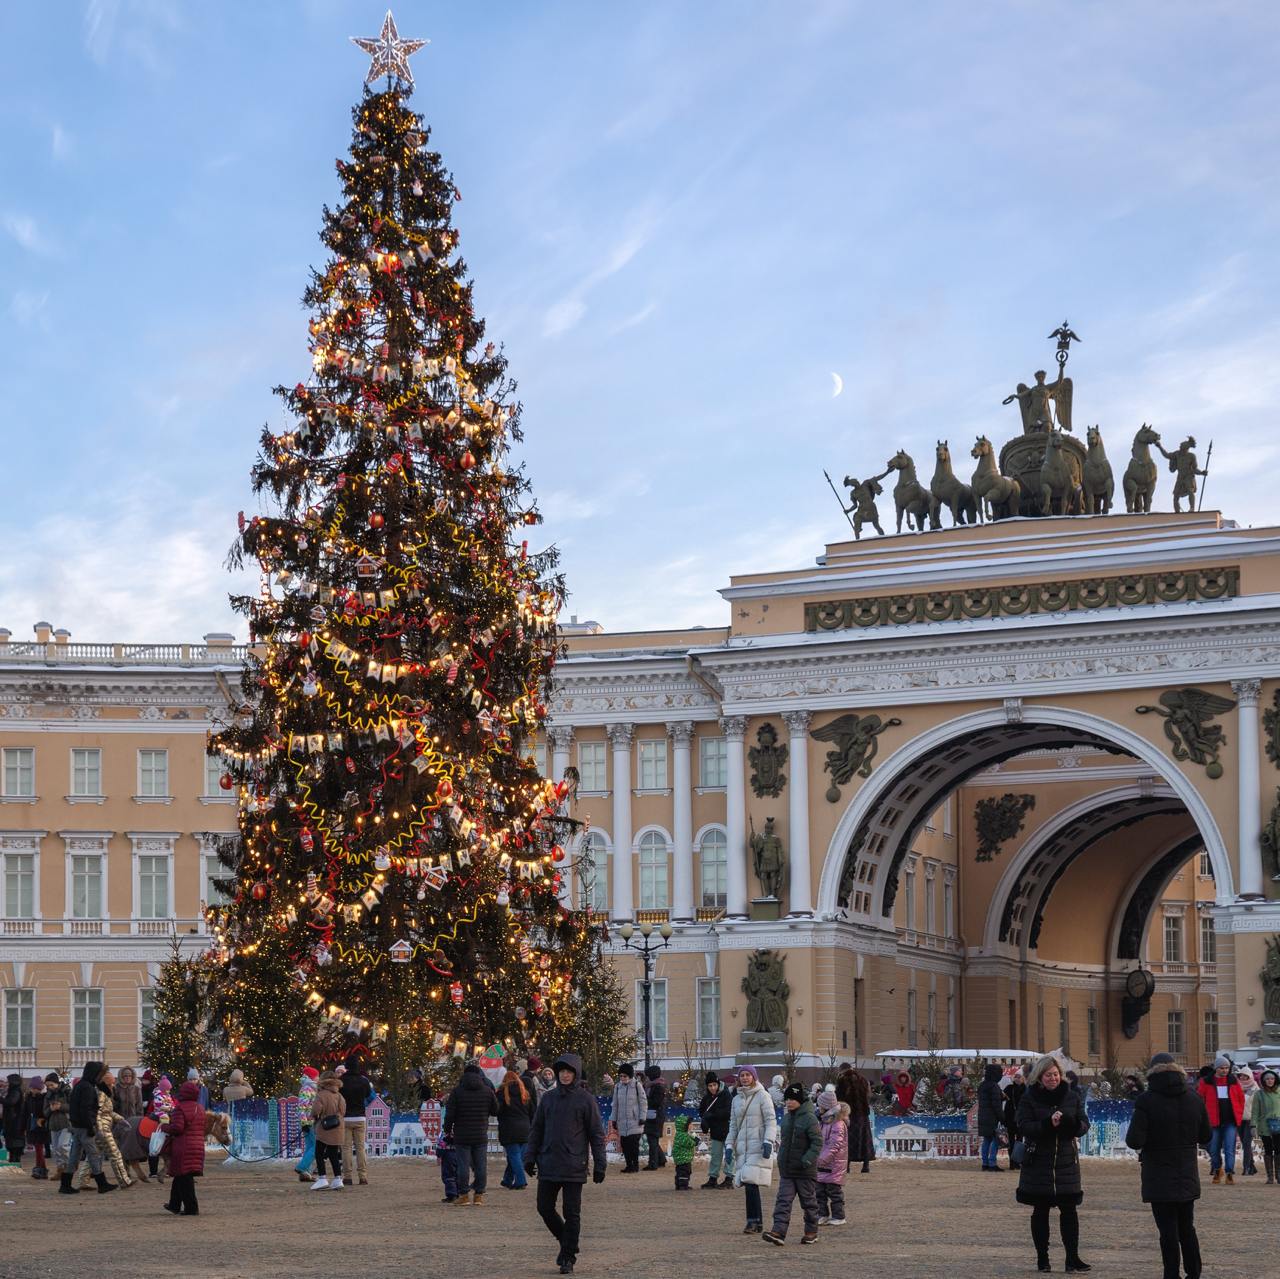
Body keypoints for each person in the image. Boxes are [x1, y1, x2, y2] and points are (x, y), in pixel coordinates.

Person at [1125, 1051, 1211, 1279]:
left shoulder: (1146, 1100)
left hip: (1158, 1173)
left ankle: (1171, 1274)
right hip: (1187, 1172)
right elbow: (1206, 1136)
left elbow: (1134, 1140)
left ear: (1152, 1073)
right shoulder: (1194, 1098)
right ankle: (1194, 1273)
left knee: (1167, 1231)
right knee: (1187, 1228)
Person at [524, 1052, 606, 1277]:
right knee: (544, 1207)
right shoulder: (548, 1099)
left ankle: (568, 1257)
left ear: (576, 1073)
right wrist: (529, 1157)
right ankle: (567, 1240)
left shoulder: (585, 1099)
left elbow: (596, 1134)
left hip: (573, 1164)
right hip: (549, 1162)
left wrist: (600, 1163)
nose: (565, 1075)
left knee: (572, 1213)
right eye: (562, 1071)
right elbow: (537, 1129)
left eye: (569, 1071)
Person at [1015, 1055, 1091, 1274]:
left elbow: (1084, 1124)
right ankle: (1043, 1259)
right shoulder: (1029, 1098)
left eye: (1056, 1074)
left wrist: (1070, 1123)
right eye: (1048, 1075)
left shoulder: (1072, 1096)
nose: (1053, 1078)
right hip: (1039, 1162)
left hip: (1066, 1162)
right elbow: (1024, 1126)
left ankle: (1072, 1258)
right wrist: (1047, 1124)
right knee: (1040, 1211)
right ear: (1040, 1077)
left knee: (1070, 1211)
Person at [762, 1083, 821, 1246]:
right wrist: (781, 1159)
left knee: (808, 1203)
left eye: (792, 1099)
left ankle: (811, 1231)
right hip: (788, 1170)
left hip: (804, 1171)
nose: (788, 1102)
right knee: (783, 1201)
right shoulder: (787, 1118)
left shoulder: (810, 1118)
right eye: (787, 1099)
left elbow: (817, 1143)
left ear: (800, 1100)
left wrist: (807, 1160)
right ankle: (778, 1232)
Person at [727, 1065, 777, 1235]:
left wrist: (768, 1141)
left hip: (757, 1145)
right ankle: (757, 1222)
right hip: (743, 1147)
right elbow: (733, 1125)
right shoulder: (736, 1100)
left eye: (748, 1075)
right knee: (750, 1183)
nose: (745, 1078)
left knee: (750, 1182)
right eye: (742, 1075)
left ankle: (752, 1221)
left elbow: (771, 1120)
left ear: (754, 1077)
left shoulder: (763, 1096)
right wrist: (729, 1145)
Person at [444, 1060, 498, 1204]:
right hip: (480, 1134)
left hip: (462, 1135)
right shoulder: (487, 1091)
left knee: (463, 1166)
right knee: (481, 1165)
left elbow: (450, 1114)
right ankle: (479, 1195)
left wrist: (447, 1129)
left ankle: (463, 1195)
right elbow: (495, 1110)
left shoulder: (457, 1092)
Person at [64, 1061, 114, 1195]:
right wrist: (90, 1127)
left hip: (77, 1126)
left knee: (75, 1155)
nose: (101, 1077)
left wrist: (99, 1083)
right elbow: (85, 1109)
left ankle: (65, 1184)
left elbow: (107, 1093)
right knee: (93, 1154)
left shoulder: (82, 1085)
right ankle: (102, 1183)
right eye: (100, 1074)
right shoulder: (87, 1088)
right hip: (84, 1126)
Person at [1195, 1053, 1244, 1184]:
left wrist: (1238, 1115)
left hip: (1230, 1122)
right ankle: (1217, 1169)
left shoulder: (1234, 1082)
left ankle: (1229, 1173)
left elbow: (1240, 1099)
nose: (1224, 1070)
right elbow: (1200, 1100)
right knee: (1214, 1149)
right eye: (1222, 1068)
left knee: (1230, 1148)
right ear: (1216, 1068)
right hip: (1212, 1122)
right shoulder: (1206, 1082)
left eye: (1226, 1068)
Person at [161, 1079, 207, 1215]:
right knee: (180, 1175)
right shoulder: (200, 1108)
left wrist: (165, 1127)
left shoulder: (180, 1108)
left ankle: (191, 1209)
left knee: (185, 1178)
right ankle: (174, 1204)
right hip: (197, 1146)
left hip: (183, 1147)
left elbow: (178, 1128)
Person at [496, 1068, 537, 1190]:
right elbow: (532, 1112)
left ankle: (521, 1181)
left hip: (509, 1128)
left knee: (514, 1156)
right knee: (515, 1156)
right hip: (525, 1128)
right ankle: (507, 1179)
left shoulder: (502, 1093)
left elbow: (498, 1111)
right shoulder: (525, 1093)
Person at [94, 1069, 133, 1188]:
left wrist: (121, 1119)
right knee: (115, 1154)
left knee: (95, 1155)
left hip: (105, 1127)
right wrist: (100, 1129)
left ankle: (82, 1180)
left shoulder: (106, 1093)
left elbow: (109, 1112)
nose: (113, 1085)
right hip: (104, 1128)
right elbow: (98, 1112)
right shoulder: (102, 1094)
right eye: (111, 1083)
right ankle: (124, 1181)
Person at [339, 1054, 374, 1187]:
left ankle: (347, 1177)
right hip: (360, 1117)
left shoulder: (341, 1080)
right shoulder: (364, 1080)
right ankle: (363, 1177)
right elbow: (369, 1096)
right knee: (360, 1147)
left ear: (346, 1066)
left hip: (346, 1117)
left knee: (346, 1148)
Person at [815, 1092, 848, 1227]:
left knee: (834, 1192)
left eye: (820, 1105)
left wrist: (823, 1158)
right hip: (822, 1163)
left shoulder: (838, 1124)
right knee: (819, 1191)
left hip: (833, 1164)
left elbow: (835, 1145)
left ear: (827, 1107)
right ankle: (822, 1214)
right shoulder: (824, 1121)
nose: (818, 1108)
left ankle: (839, 1216)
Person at [310, 1070, 346, 1191]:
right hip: (338, 1127)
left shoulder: (321, 1095)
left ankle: (322, 1178)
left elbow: (315, 1111)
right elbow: (343, 1111)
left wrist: (314, 1117)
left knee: (319, 1153)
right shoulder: (340, 1095)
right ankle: (337, 1179)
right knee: (333, 1154)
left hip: (324, 1128)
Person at [698, 1071, 733, 1187]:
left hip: (728, 1130)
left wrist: (711, 1115)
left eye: (714, 1085)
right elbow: (702, 1111)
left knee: (729, 1155)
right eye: (710, 1086)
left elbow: (728, 1113)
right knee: (715, 1155)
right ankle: (713, 1178)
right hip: (716, 1131)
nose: (713, 1088)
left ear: (718, 1084)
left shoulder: (726, 1095)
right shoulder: (707, 1098)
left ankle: (729, 1178)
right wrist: (705, 1121)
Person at [836, 1067, 874, 1174]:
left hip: (848, 1114)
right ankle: (866, 1165)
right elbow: (867, 1096)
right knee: (865, 1140)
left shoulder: (843, 1081)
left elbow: (839, 1098)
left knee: (847, 1140)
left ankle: (846, 1165)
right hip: (862, 1114)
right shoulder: (863, 1080)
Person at [611, 1063, 647, 1174]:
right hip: (622, 1121)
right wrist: (614, 1119)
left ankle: (635, 1165)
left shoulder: (637, 1085)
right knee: (625, 1145)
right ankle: (628, 1165)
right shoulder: (617, 1087)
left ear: (630, 1076)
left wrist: (642, 1117)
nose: (622, 1078)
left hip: (634, 1121)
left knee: (633, 1145)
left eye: (625, 1076)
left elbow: (643, 1102)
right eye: (621, 1076)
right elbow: (615, 1104)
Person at [1250, 1067, 1280, 1184]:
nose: (1270, 1081)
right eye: (1267, 1079)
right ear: (1263, 1080)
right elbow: (1255, 1111)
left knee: (1278, 1149)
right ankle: (1270, 1176)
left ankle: (1279, 1174)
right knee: (1268, 1150)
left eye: (1272, 1078)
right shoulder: (1259, 1094)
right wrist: (1253, 1126)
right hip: (1264, 1126)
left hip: (1278, 1125)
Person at [978, 1062, 1006, 1171]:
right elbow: (996, 1105)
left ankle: (985, 1163)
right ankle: (992, 1164)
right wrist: (1002, 1118)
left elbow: (986, 1100)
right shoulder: (994, 1086)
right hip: (992, 1117)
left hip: (983, 1116)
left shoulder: (982, 1085)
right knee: (995, 1140)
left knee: (986, 1140)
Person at [46, 1072, 72, 1183]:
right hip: (53, 1124)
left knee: (63, 1146)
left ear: (57, 1083)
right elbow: (45, 1111)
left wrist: (61, 1106)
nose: (49, 1087)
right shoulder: (48, 1095)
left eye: (51, 1085)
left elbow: (73, 1107)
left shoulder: (66, 1091)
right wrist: (50, 1110)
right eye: (47, 1085)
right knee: (56, 1149)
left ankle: (68, 1168)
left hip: (65, 1123)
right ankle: (60, 1169)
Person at [294, 1065, 320, 1183]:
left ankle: (306, 1173)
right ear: (312, 1077)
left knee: (310, 1146)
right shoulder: (307, 1089)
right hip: (309, 1122)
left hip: (310, 1122)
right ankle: (302, 1167)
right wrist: (304, 1122)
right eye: (317, 1076)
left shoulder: (311, 1088)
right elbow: (302, 1107)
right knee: (315, 1147)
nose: (318, 1078)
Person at [148, 1076, 174, 1183]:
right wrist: (167, 1108)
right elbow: (158, 1105)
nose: (168, 1091)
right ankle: (165, 1130)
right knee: (165, 1118)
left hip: (168, 1111)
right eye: (167, 1089)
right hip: (160, 1112)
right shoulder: (158, 1095)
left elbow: (172, 1103)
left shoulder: (167, 1095)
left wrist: (172, 1107)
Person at [643, 1064, 668, 1170]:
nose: (648, 1077)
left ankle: (653, 1163)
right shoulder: (654, 1086)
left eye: (649, 1075)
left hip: (655, 1116)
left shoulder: (657, 1087)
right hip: (653, 1115)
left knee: (652, 1140)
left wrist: (645, 1101)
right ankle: (661, 1159)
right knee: (653, 1139)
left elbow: (656, 1102)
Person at [1235, 1068, 1259, 1175]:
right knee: (1245, 1144)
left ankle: (1246, 1168)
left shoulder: (1255, 1089)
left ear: (1250, 1076)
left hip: (1250, 1119)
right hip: (1239, 1119)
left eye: (1245, 1076)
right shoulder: (1236, 1087)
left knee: (1246, 1143)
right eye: (1241, 1076)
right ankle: (1252, 1166)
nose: (1243, 1078)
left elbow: (1257, 1106)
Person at [26, 1075, 49, 1180]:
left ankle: (39, 1168)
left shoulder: (44, 1098)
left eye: (36, 1088)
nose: (34, 1090)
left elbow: (45, 1112)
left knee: (39, 1148)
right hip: (32, 1125)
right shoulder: (29, 1098)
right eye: (32, 1088)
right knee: (38, 1148)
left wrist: (43, 1119)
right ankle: (42, 1169)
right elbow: (25, 1113)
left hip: (41, 1125)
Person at [3, 1073, 27, 1167]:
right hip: (13, 1121)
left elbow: (11, 1102)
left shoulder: (15, 1091)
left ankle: (15, 1162)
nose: (7, 1083)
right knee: (12, 1142)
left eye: (8, 1081)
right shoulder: (13, 1091)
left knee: (15, 1142)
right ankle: (13, 1160)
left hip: (15, 1121)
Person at [672, 1115, 695, 1189]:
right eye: (690, 1124)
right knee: (685, 1172)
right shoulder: (683, 1135)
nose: (692, 1125)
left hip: (681, 1158)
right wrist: (695, 1141)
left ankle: (678, 1184)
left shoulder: (680, 1134)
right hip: (683, 1158)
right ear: (684, 1126)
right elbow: (689, 1143)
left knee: (680, 1172)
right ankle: (683, 1185)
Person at [436, 1129, 460, 1202]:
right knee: (458, 1174)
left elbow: (441, 1144)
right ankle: (459, 1193)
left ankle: (452, 1195)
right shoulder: (461, 1129)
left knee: (448, 1175)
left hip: (448, 1154)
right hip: (461, 1153)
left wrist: (439, 1155)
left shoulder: (445, 1132)